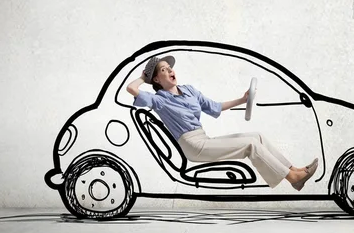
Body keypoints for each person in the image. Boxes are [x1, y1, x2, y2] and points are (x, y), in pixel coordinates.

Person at [126, 55, 318, 190]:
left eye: (170, 67)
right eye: (163, 70)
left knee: (256, 136)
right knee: (250, 145)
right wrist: (144, 77)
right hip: (192, 145)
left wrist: (243, 100)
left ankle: (294, 171)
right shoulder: (159, 100)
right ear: (157, 79)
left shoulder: (189, 90)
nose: (170, 70)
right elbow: (131, 89)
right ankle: (292, 178)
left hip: (203, 139)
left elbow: (215, 107)